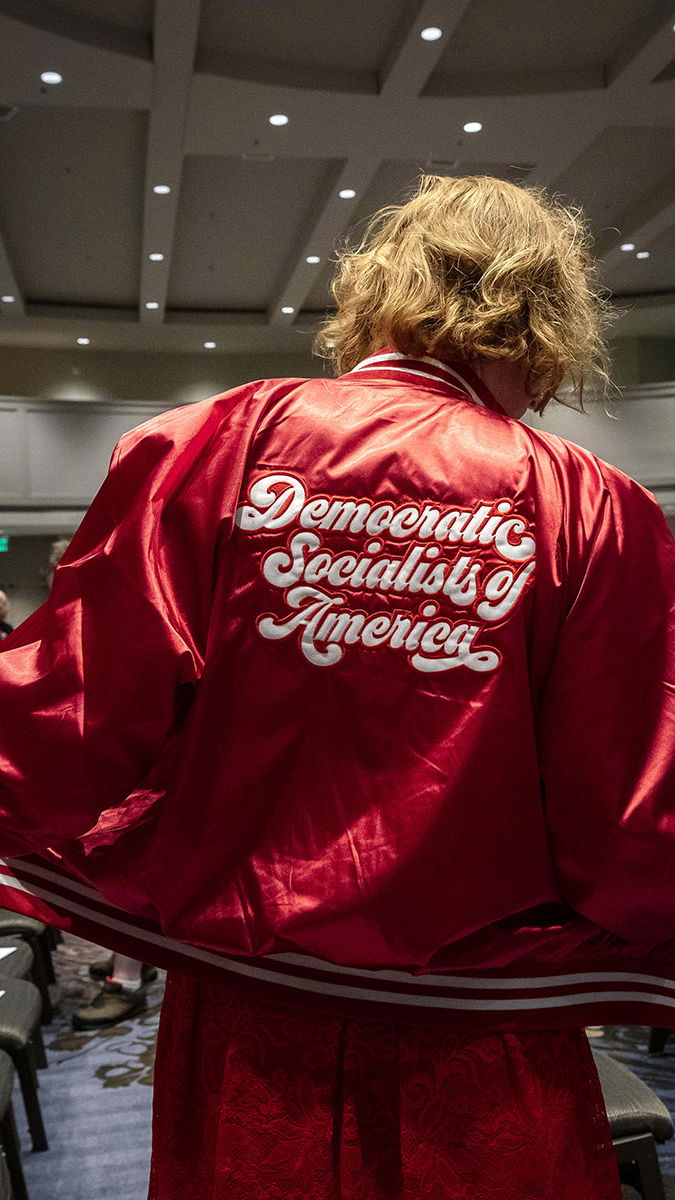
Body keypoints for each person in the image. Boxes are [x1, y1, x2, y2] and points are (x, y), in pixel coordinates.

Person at [0, 174, 673, 1199]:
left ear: (379, 292)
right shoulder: (595, 505)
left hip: (246, 1025)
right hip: (482, 1044)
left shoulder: (215, 442)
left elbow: (70, 720)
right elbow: (628, 824)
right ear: (547, 324)